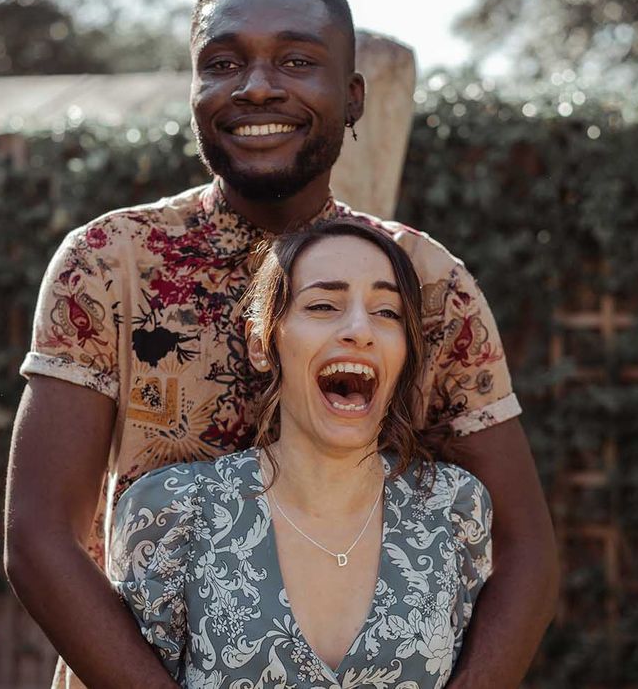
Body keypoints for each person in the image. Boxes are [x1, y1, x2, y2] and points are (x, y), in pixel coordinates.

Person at [3, 0, 558, 687]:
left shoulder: (425, 284)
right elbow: (39, 537)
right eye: (223, 62)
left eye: (297, 60)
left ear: (352, 96)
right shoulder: (112, 262)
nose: (258, 86)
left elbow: (525, 550)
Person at [108, 219, 493, 688]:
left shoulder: (453, 510)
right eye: (323, 305)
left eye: (387, 312)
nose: (359, 330)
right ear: (261, 343)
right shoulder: (172, 515)